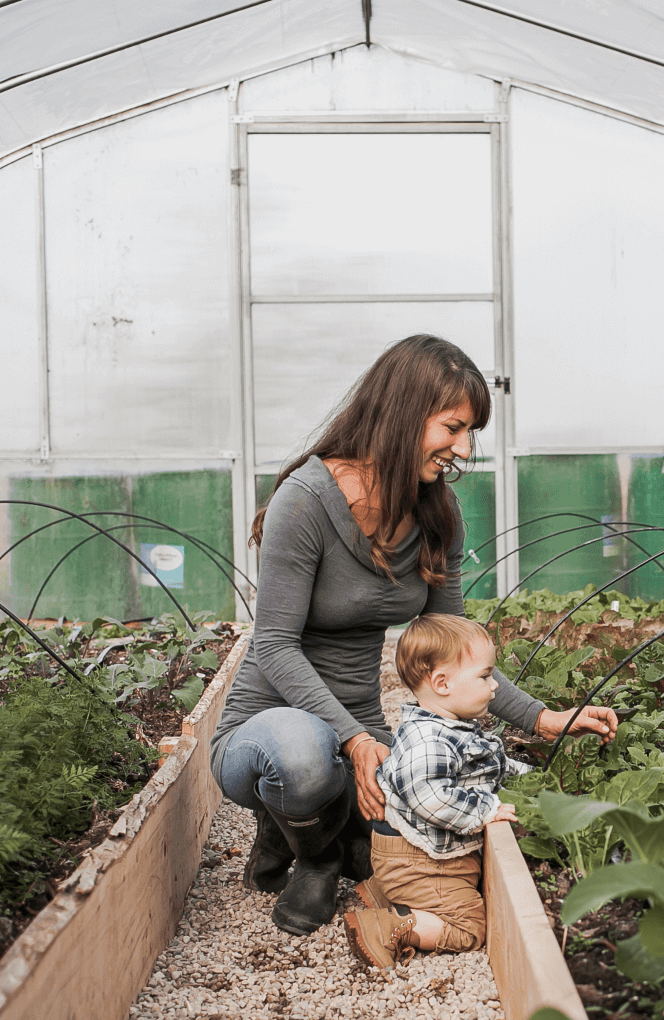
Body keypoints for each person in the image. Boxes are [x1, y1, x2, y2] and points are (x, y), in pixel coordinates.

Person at [207, 334, 617, 937]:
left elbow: (455, 645)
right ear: (404, 412)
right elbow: (272, 646)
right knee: (303, 757)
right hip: (270, 718)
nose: (463, 448)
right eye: (452, 427)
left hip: (358, 730)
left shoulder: (435, 512)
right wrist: (352, 740)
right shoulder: (306, 501)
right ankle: (314, 855)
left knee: (415, 810)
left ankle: (308, 822)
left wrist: (541, 718)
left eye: (471, 431)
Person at [341, 613, 521, 968]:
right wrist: (484, 812)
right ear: (442, 683)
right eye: (485, 676)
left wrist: (528, 777)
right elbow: (428, 795)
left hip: (411, 857)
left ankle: (380, 890)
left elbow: (488, 766)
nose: (495, 685)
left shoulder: (451, 726)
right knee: (469, 928)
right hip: (421, 863)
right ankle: (392, 924)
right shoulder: (429, 740)